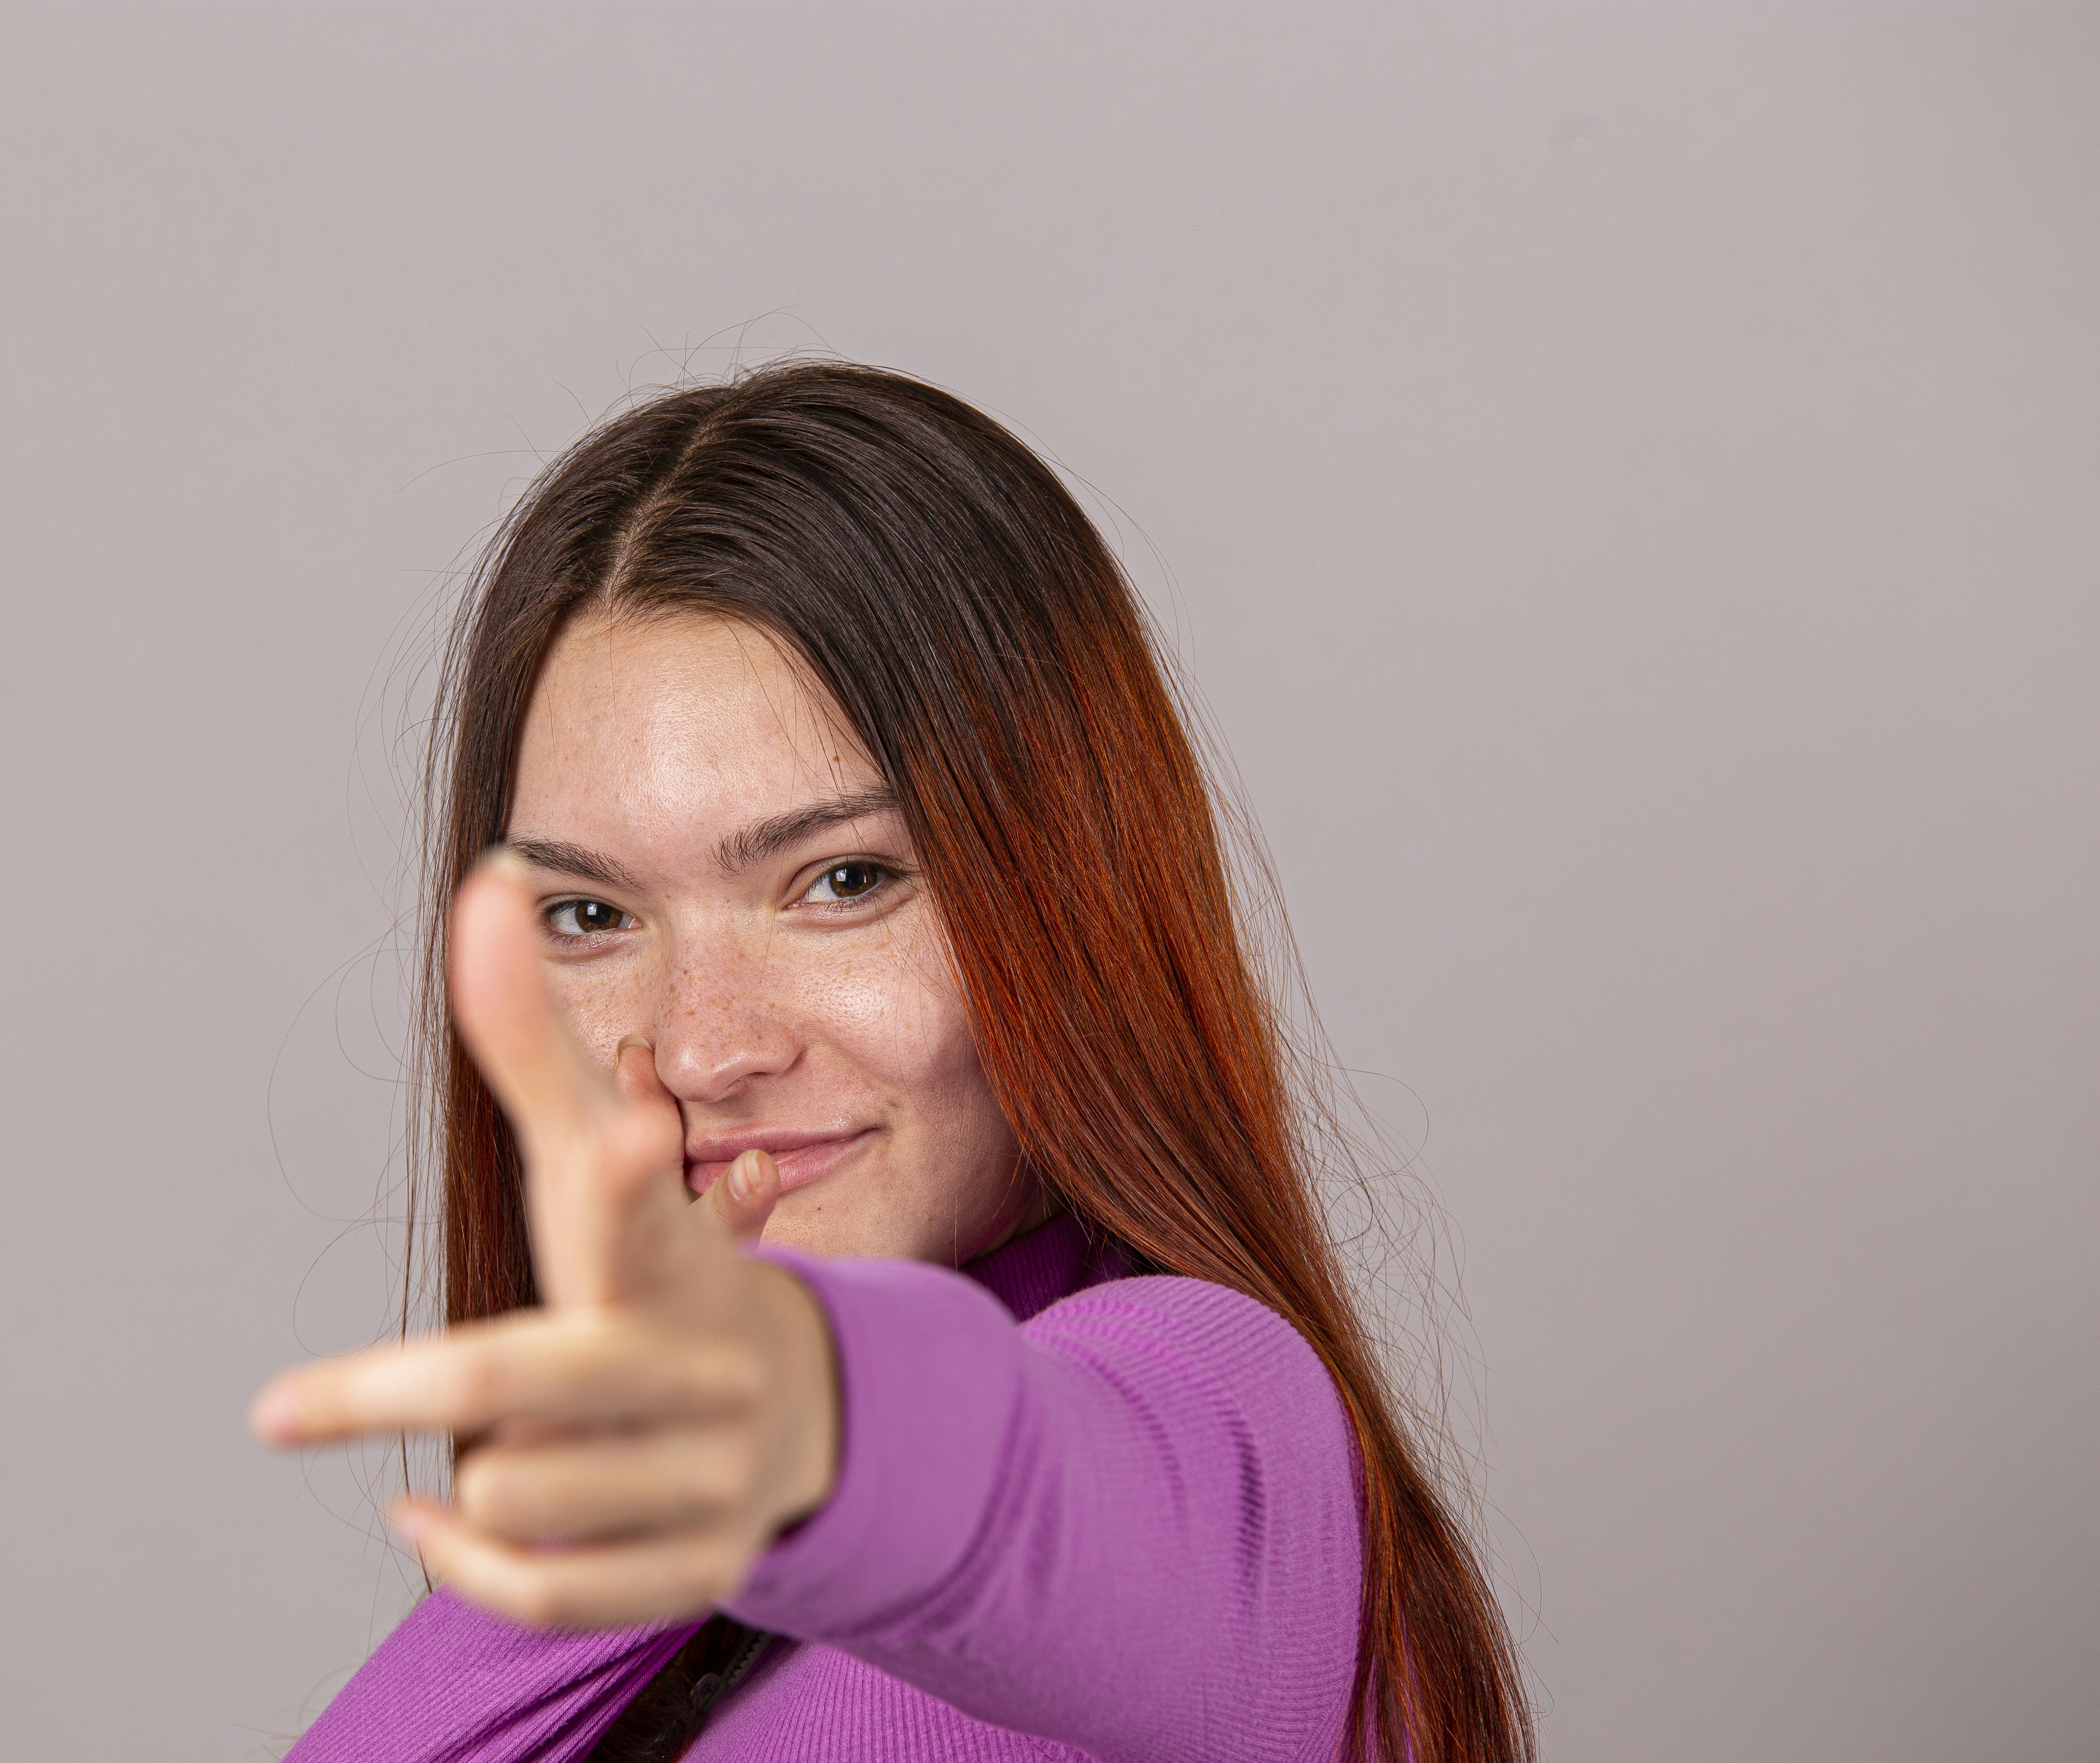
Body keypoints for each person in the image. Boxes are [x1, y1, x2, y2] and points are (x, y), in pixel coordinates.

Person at [248, 363, 1531, 1762]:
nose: (703, 1049)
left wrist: (799, 1411)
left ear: (1072, 896)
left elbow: (1030, 1494)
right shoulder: (666, 1576)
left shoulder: (1228, 1432)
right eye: (592, 917)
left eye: (844, 881)